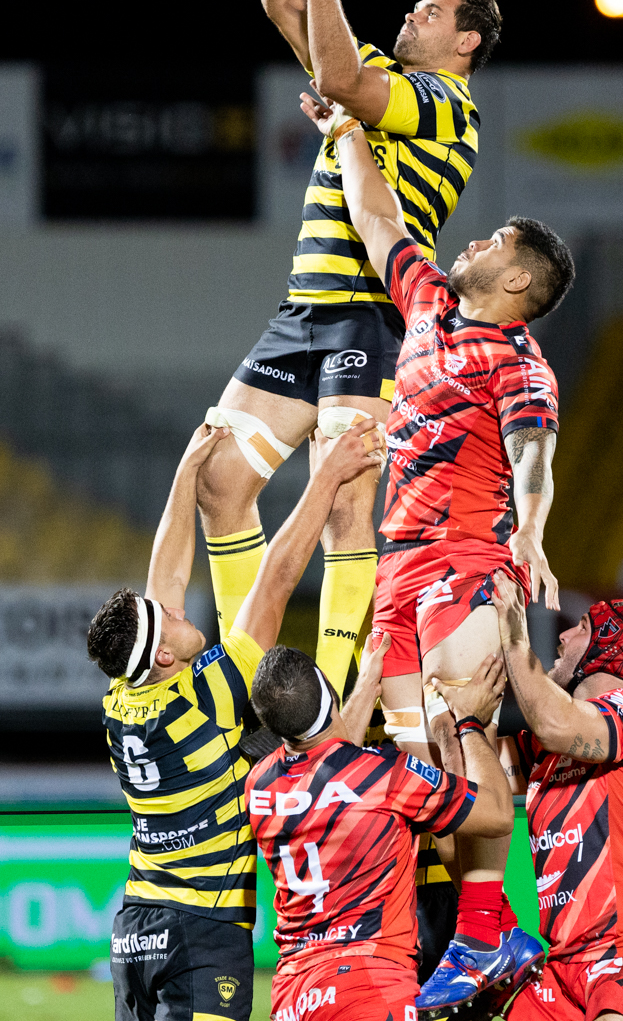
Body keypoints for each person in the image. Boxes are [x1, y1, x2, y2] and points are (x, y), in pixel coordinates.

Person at [198, 0, 502, 703]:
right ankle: (245, 676)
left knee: (342, 505)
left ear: (465, 41)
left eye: (430, 13)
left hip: (371, 317)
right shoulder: (376, 78)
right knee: (222, 481)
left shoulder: (445, 106)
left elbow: (336, 71)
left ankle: (323, 694)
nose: (413, 16)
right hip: (303, 311)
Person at [298, 93, 574, 1005]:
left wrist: (529, 536)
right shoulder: (425, 305)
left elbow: (534, 454)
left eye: (492, 240)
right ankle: (460, 936)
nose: (472, 242)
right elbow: (379, 223)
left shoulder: (519, 362)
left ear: (519, 284)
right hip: (398, 562)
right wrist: (344, 136)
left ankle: (490, 930)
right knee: (421, 766)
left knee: (466, 737)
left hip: (464, 563)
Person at [87, 417, 382, 1021]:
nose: (176, 606)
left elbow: (160, 584)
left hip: (136, 928)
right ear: (164, 656)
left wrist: (185, 474)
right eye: (166, 617)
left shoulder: (123, 698)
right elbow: (275, 578)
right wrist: (327, 472)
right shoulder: (207, 694)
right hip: (201, 929)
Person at [245, 636, 518, 1021]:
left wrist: (368, 682)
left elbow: (328, 754)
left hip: (295, 995)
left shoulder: (260, 784)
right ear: (328, 690)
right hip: (370, 986)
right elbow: (498, 813)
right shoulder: (388, 776)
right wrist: (470, 723)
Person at [482, 572, 623, 1021]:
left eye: (581, 627)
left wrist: (514, 634)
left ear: (609, 647)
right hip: (561, 965)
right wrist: (462, 717)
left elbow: (556, 723)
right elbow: (478, 782)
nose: (562, 636)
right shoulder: (546, 748)